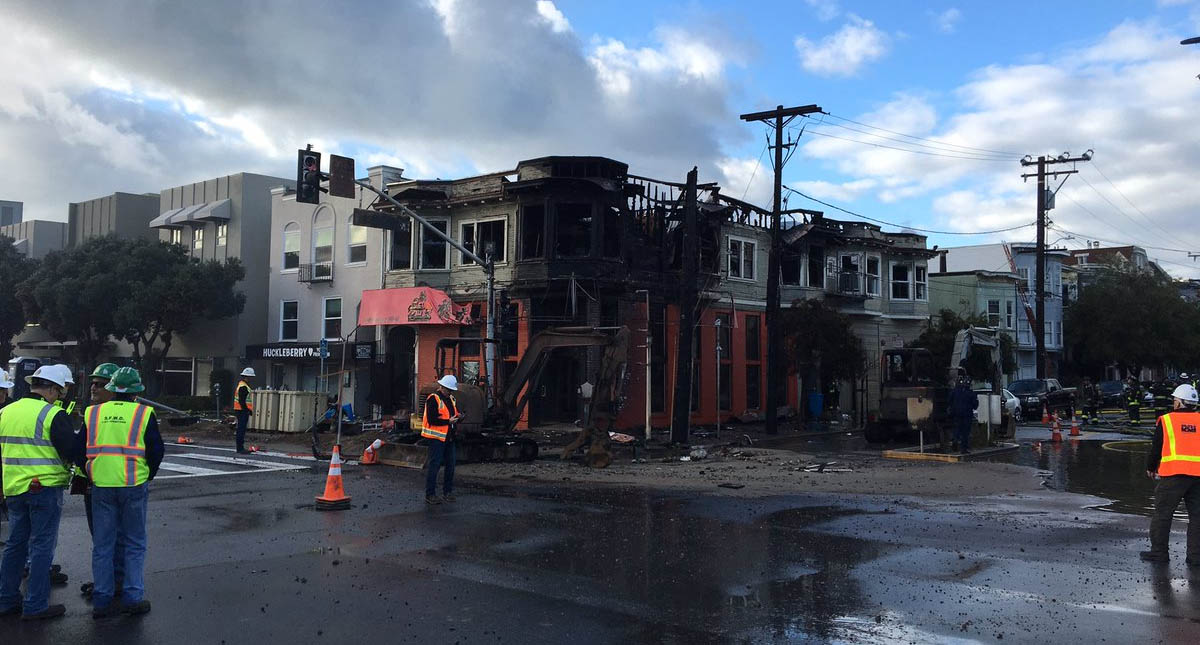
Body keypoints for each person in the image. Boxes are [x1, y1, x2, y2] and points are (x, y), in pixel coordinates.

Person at [80, 367, 164, 617]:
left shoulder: (93, 413)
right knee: (134, 543)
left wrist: (89, 468)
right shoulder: (144, 413)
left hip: (101, 485)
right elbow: (156, 450)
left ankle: (102, 599)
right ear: (137, 392)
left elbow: (79, 447)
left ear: (113, 389)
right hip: (133, 484)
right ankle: (132, 596)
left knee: (103, 545)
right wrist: (147, 473)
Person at [0, 365, 81, 620]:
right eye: (60, 391)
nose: (61, 396)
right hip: (44, 488)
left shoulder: (5, 412)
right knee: (41, 546)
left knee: (15, 545)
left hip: (13, 488)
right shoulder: (51, 414)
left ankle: (6, 599)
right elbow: (71, 451)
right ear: (53, 389)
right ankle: (36, 605)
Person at [1141, 383, 1200, 565]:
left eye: (1175, 400)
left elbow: (1156, 448)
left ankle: (1159, 554)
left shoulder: (1166, 420)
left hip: (1173, 475)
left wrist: (1151, 467)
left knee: (1163, 514)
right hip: (1198, 477)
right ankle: (1195, 557)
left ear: (1180, 402)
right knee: (1198, 517)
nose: (1173, 403)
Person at [76, 363, 121, 600]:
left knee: (109, 538)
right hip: (93, 483)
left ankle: (112, 584)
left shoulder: (119, 415)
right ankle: (107, 582)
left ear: (113, 389)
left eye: (100, 384)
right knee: (101, 537)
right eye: (93, 383)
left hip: (110, 485)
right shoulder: (91, 413)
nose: (94, 387)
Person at [422, 375, 463, 505]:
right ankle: (430, 494)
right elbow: (431, 419)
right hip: (436, 438)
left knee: (450, 466)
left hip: (449, 437)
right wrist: (448, 421)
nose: (450, 392)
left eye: (451, 390)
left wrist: (460, 417)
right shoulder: (433, 399)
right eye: (448, 390)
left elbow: (454, 414)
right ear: (442, 387)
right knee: (434, 466)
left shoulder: (451, 399)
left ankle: (447, 492)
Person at [947, 375, 978, 454]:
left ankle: (955, 439)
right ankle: (963, 449)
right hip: (967, 414)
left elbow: (949, 401)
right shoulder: (971, 393)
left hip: (956, 413)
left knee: (957, 428)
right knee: (965, 432)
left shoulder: (955, 391)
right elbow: (975, 405)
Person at [233, 368, 255, 454]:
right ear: (247, 377)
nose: (251, 379)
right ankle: (240, 448)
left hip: (240, 410)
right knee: (241, 429)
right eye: (250, 377)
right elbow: (242, 401)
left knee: (240, 429)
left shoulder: (241, 385)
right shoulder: (244, 387)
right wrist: (247, 410)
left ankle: (240, 447)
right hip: (242, 411)